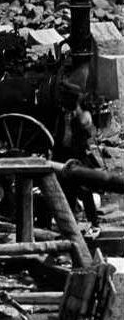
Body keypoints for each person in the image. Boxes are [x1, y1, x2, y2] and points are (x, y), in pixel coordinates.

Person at [58, 86, 102, 236]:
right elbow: (59, 139)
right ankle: (72, 225)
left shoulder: (82, 116)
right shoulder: (61, 116)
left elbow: (86, 131)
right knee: (68, 192)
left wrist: (79, 115)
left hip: (79, 159)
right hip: (64, 158)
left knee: (84, 190)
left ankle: (94, 224)